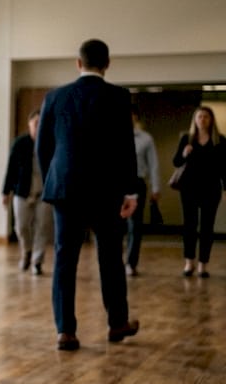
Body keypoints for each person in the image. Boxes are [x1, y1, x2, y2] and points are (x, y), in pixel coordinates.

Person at [36, 39, 140, 351]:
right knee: (110, 258)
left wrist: (52, 181)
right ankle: (117, 323)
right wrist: (130, 189)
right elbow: (126, 147)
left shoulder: (55, 96)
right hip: (106, 190)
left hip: (65, 189)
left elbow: (43, 147)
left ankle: (65, 331)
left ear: (78, 63)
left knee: (65, 259)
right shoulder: (119, 96)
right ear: (107, 64)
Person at [171, 106, 226, 278]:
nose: (202, 120)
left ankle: (203, 265)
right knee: (190, 225)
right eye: (199, 116)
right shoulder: (187, 138)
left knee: (207, 227)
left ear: (211, 120)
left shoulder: (220, 140)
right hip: (189, 188)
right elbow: (176, 162)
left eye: (206, 117)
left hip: (211, 188)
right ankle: (189, 262)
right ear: (195, 120)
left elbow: (225, 168)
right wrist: (184, 153)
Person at [1, 109, 52, 274]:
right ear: (29, 124)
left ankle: (37, 262)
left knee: (42, 227)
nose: (39, 127)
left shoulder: (50, 143)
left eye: (41, 123)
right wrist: (5, 192)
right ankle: (27, 251)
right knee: (21, 227)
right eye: (35, 123)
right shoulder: (19, 143)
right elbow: (10, 168)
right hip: (22, 192)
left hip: (44, 194)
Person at [126, 112, 160, 276]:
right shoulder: (111, 135)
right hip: (116, 183)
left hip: (137, 182)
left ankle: (131, 263)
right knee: (113, 225)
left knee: (135, 225)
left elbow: (153, 164)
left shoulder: (146, 139)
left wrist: (156, 188)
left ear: (136, 118)